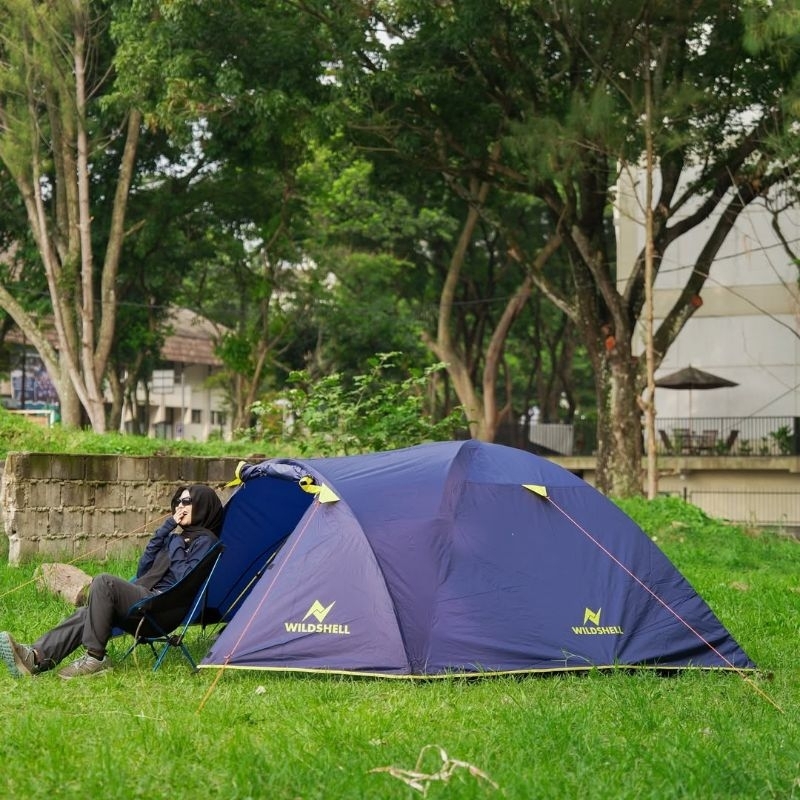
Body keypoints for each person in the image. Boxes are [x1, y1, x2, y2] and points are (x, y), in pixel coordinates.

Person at [0, 483, 223, 680]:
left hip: (162, 609)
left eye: (186, 502)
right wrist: (166, 530)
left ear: (202, 505)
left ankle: (95, 657)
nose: (180, 507)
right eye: (178, 502)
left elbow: (185, 578)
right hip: (146, 600)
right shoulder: (177, 538)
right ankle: (35, 658)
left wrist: (176, 543)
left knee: (104, 582)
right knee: (85, 613)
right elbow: (144, 569)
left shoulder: (206, 541)